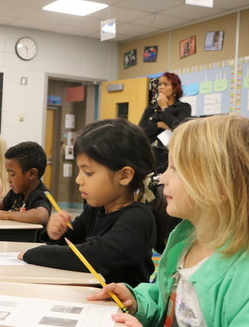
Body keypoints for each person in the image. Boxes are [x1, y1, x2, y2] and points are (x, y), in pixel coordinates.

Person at [88, 115, 249, 327]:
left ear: (221, 186)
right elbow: (168, 299)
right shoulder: (185, 239)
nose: (162, 178)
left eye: (175, 168)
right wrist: (137, 301)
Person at [20, 119, 164, 286]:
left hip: (117, 308)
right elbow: (73, 242)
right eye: (79, 170)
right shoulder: (94, 209)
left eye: (88, 172)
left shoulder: (138, 218)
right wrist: (57, 233)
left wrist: (34, 254)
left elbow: (94, 257)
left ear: (124, 175)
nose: (78, 179)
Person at [0, 141, 51, 225]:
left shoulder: (42, 194)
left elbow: (41, 216)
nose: (8, 179)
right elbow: (4, 203)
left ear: (32, 174)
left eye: (12, 174)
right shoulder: (18, 191)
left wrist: (8, 215)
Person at [139, 72, 191, 173]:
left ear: (175, 88)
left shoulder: (184, 107)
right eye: (160, 84)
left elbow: (179, 128)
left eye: (165, 84)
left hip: (171, 157)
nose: (161, 87)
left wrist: (164, 108)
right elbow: (140, 132)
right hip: (150, 156)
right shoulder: (150, 108)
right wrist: (158, 125)